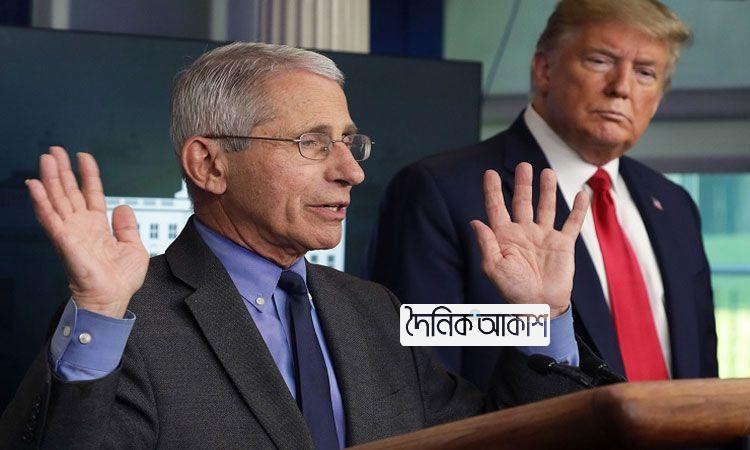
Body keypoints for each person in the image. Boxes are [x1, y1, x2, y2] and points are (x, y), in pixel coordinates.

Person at [0, 42, 596, 448]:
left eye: (350, 143)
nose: (351, 172)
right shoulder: (122, 321)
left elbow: (496, 436)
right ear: (209, 164)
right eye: (312, 143)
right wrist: (100, 311)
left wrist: (542, 318)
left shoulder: (377, 311)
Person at [367, 0, 717, 390]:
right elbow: (422, 383)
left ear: (660, 96)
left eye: (645, 72)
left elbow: (704, 376)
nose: (621, 87)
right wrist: (536, 319)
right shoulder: (439, 191)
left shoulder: (675, 206)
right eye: (599, 61)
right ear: (544, 69)